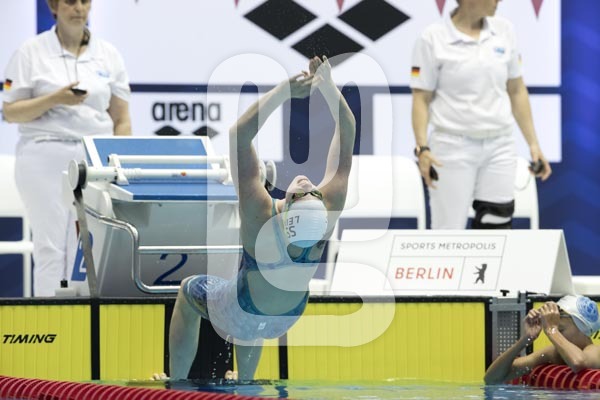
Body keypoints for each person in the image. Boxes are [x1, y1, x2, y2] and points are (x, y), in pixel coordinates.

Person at [168, 56, 356, 380]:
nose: (307, 184)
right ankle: (245, 381)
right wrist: (329, 88)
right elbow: (348, 129)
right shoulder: (328, 212)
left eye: (301, 193)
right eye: (313, 192)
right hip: (288, 315)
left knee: (189, 291)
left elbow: (238, 135)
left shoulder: (261, 215)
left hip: (241, 309)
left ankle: (176, 381)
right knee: (254, 293)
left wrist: (283, 92)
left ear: (286, 209)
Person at [2, 0, 132, 296]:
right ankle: (48, 316)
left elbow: (122, 119)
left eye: (85, 2)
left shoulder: (108, 54)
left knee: (86, 247)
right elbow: (10, 112)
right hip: (44, 154)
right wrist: (55, 98)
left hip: (93, 158)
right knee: (49, 246)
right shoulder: (30, 52)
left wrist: (118, 162)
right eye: (70, 2)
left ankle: (82, 315)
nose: (78, 9)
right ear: (54, 7)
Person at [410, 0, 552, 229]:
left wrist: (533, 144)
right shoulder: (432, 38)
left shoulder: (505, 30)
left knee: (497, 224)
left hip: (500, 145)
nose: (499, 1)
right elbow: (421, 98)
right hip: (452, 147)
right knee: (448, 232)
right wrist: (422, 149)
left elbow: (516, 90)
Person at [484, 295, 600, 384]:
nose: (556, 337)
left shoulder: (595, 350)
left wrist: (551, 330)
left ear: (583, 329)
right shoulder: (553, 353)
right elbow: (491, 378)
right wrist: (524, 340)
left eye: (561, 330)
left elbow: (578, 362)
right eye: (556, 331)